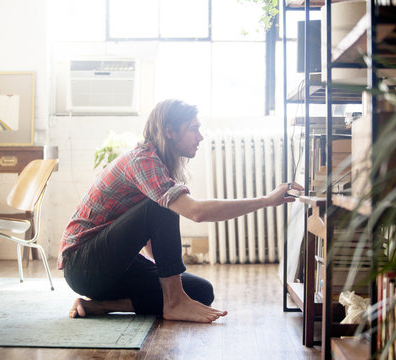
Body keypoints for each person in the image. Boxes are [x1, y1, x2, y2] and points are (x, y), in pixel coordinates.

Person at [58, 99, 303, 323]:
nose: (201, 137)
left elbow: (154, 241)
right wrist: (266, 200)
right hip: (83, 265)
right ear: (170, 131)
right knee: (163, 206)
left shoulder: (157, 164)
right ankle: (174, 303)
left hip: (113, 269)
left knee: (201, 291)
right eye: (193, 128)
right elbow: (196, 212)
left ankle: (102, 306)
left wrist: (163, 275)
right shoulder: (143, 160)